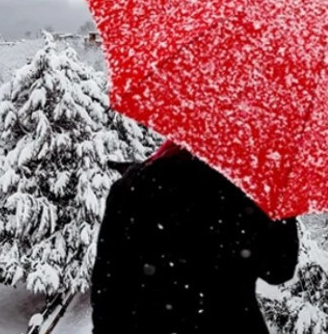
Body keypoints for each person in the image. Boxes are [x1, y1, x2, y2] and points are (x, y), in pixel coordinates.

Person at [91, 140, 300, 333]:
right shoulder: (251, 189)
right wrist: (280, 198)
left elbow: (108, 290)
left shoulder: (134, 186)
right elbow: (279, 269)